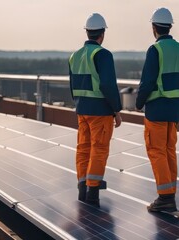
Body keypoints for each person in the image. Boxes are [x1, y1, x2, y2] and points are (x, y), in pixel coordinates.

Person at [136, 7, 179, 212]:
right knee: (169, 150)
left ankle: (165, 197)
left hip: (156, 109)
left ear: (154, 27)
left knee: (156, 151)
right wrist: (177, 91)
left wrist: (139, 102)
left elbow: (147, 82)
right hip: (174, 110)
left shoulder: (155, 50)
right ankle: (170, 192)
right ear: (170, 26)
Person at [69, 13, 122, 206]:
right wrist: (116, 109)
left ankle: (83, 188)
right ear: (102, 33)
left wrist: (80, 104)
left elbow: (72, 86)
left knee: (83, 149)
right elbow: (108, 85)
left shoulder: (75, 56)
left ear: (87, 32)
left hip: (82, 110)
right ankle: (93, 192)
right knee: (99, 150)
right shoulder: (103, 55)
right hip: (100, 112)